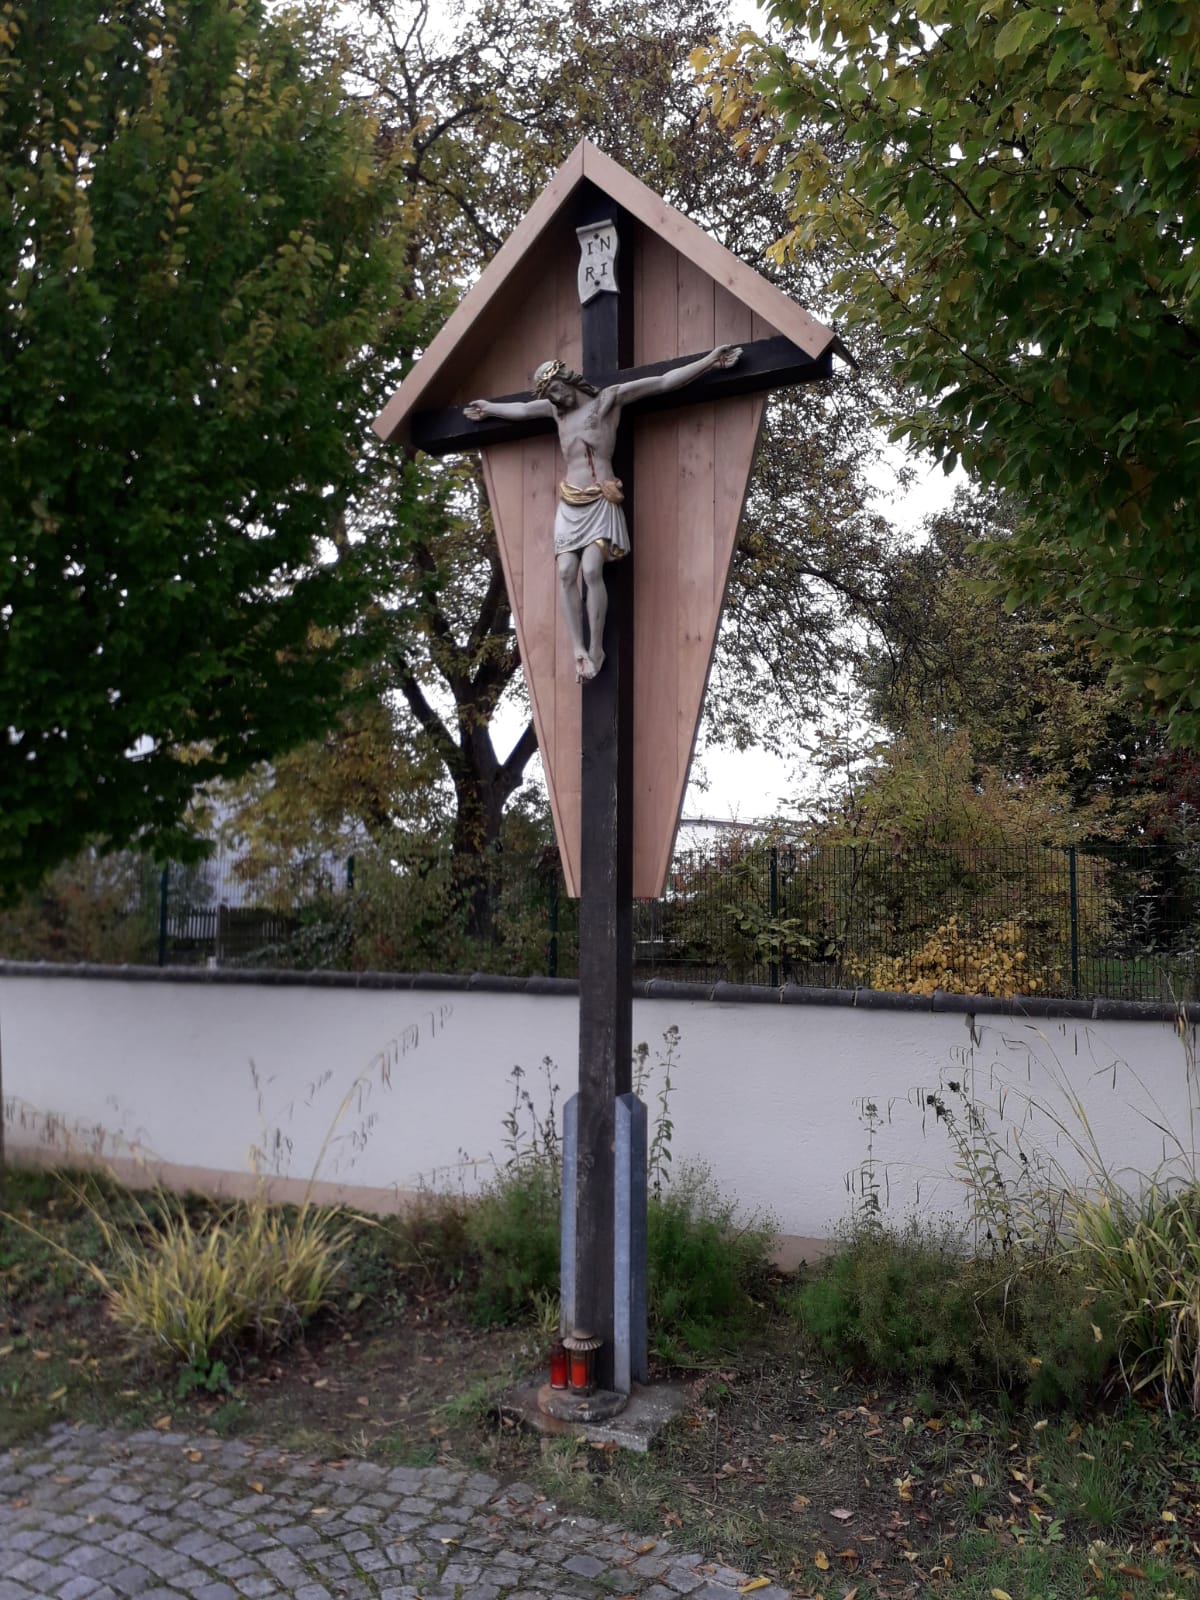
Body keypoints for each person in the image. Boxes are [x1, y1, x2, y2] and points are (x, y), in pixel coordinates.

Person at [465, 344, 741, 682]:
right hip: (570, 500)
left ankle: (596, 648)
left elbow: (665, 382)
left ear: (569, 380)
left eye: (556, 390)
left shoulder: (608, 400)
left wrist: (709, 361)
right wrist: (490, 408)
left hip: (600, 498)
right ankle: (577, 648)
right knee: (566, 571)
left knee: (592, 569)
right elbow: (522, 410)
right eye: (549, 395)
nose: (556, 399)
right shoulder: (556, 414)